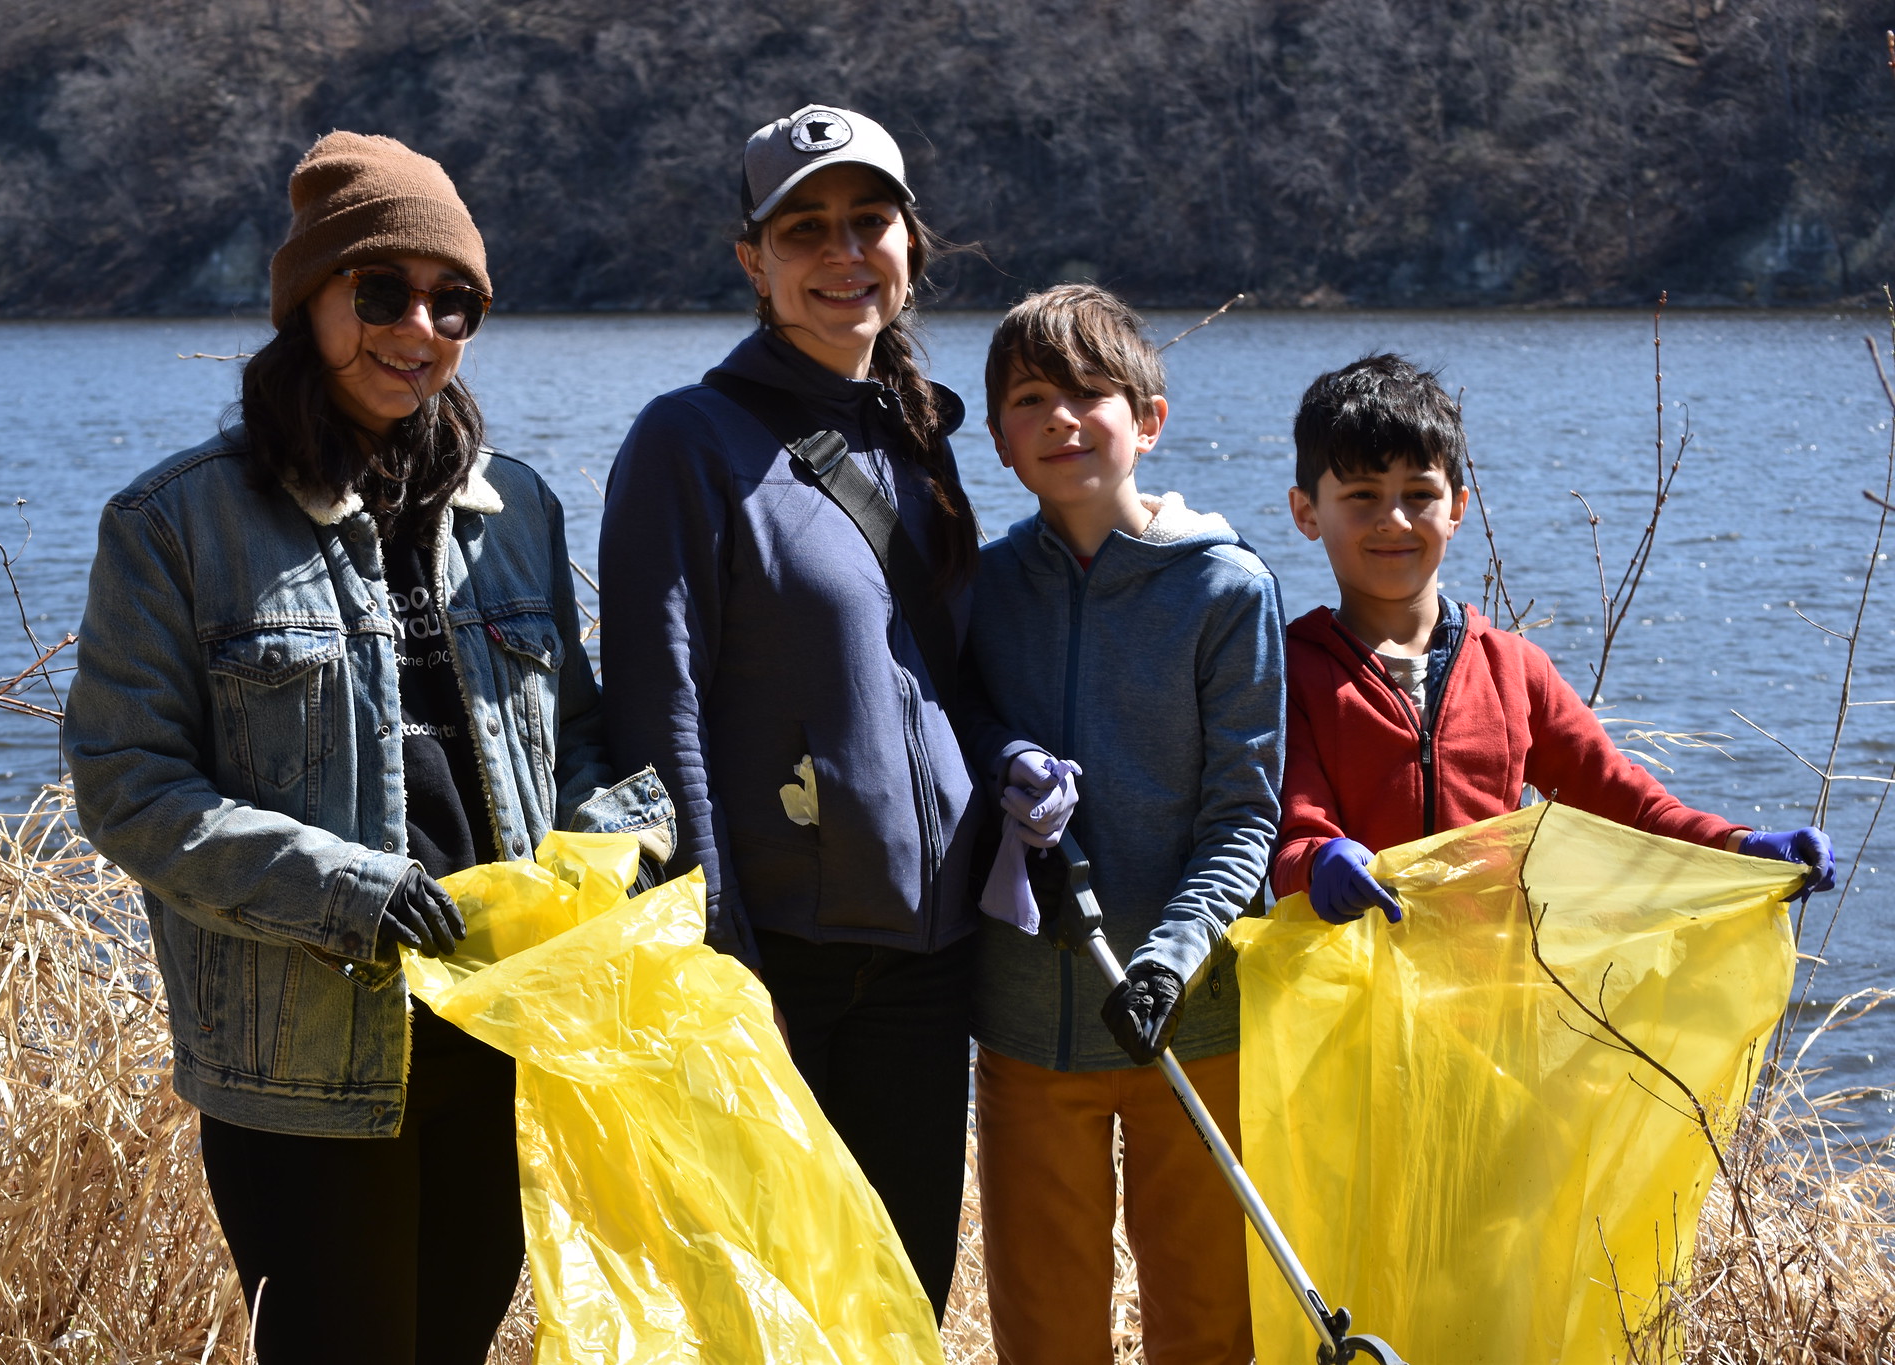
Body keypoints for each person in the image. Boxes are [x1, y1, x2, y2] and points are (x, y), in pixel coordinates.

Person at [61, 131, 673, 1365]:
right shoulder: (175, 524)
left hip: (496, 1045)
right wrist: (349, 891)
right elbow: (130, 787)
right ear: (309, 304)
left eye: (456, 303)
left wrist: (625, 840)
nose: (420, 327)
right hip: (305, 1070)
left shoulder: (520, 512)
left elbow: (586, 742)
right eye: (381, 293)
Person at [595, 104, 984, 1319]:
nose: (841, 253)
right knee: (774, 1309)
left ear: (909, 241)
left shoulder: (918, 439)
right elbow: (655, 705)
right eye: (803, 228)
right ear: (749, 261)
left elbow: (945, 682)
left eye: (867, 221)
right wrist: (716, 946)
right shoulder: (687, 440)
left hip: (929, 958)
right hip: (783, 963)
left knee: (903, 1300)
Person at [962, 284, 1283, 1365]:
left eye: (1089, 393)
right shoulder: (981, 587)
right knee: (1043, 1327)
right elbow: (951, 735)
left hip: (1189, 1022)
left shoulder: (1224, 589)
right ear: (1001, 440)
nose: (1060, 417)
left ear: (1146, 419)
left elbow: (1243, 816)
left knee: (1205, 1319)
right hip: (1022, 1026)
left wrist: (1170, 960)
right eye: (1029, 398)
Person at [1275, 352, 1836, 920]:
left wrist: (1742, 846)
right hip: (1351, 991)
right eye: (1362, 495)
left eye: (1419, 494)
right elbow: (1291, 834)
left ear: (1457, 509)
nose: (1394, 519)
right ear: (1307, 511)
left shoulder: (1513, 670)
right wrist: (1320, 863)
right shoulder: (1288, 671)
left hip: (1494, 987)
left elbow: (1625, 804)